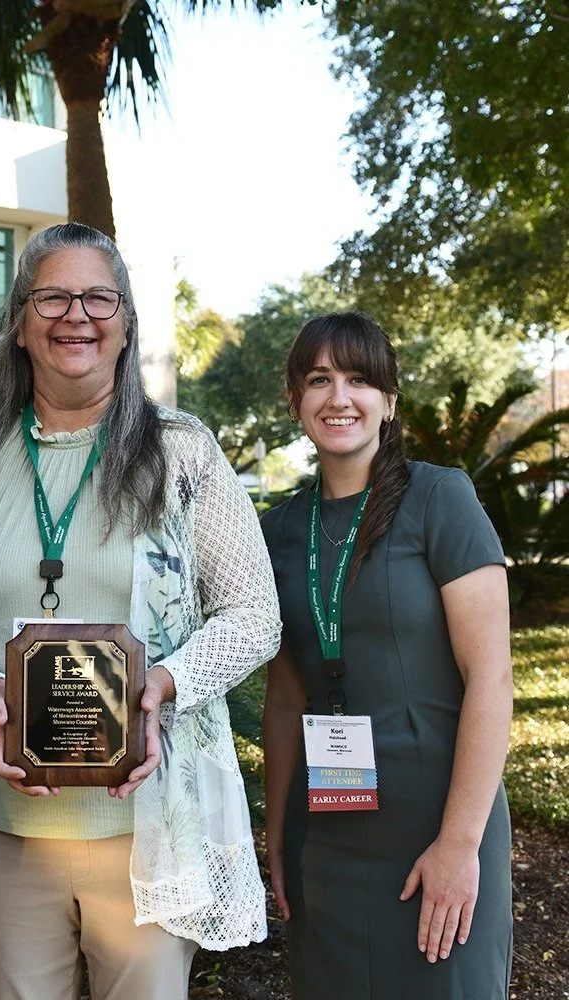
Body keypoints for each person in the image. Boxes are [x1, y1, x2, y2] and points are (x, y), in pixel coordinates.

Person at [0, 222, 281, 999]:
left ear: (126, 323)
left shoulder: (182, 452)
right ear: (17, 322)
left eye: (98, 297)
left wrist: (162, 686)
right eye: (52, 296)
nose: (76, 314)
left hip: (149, 825)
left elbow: (253, 614)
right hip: (12, 830)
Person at [261, 312, 513, 999]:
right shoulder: (278, 529)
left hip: (439, 820)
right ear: (294, 401)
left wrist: (461, 843)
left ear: (389, 401)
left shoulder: (441, 498)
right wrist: (278, 836)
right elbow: (284, 699)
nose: (338, 397)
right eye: (318, 379)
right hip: (330, 832)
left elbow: (491, 676)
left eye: (359, 379)